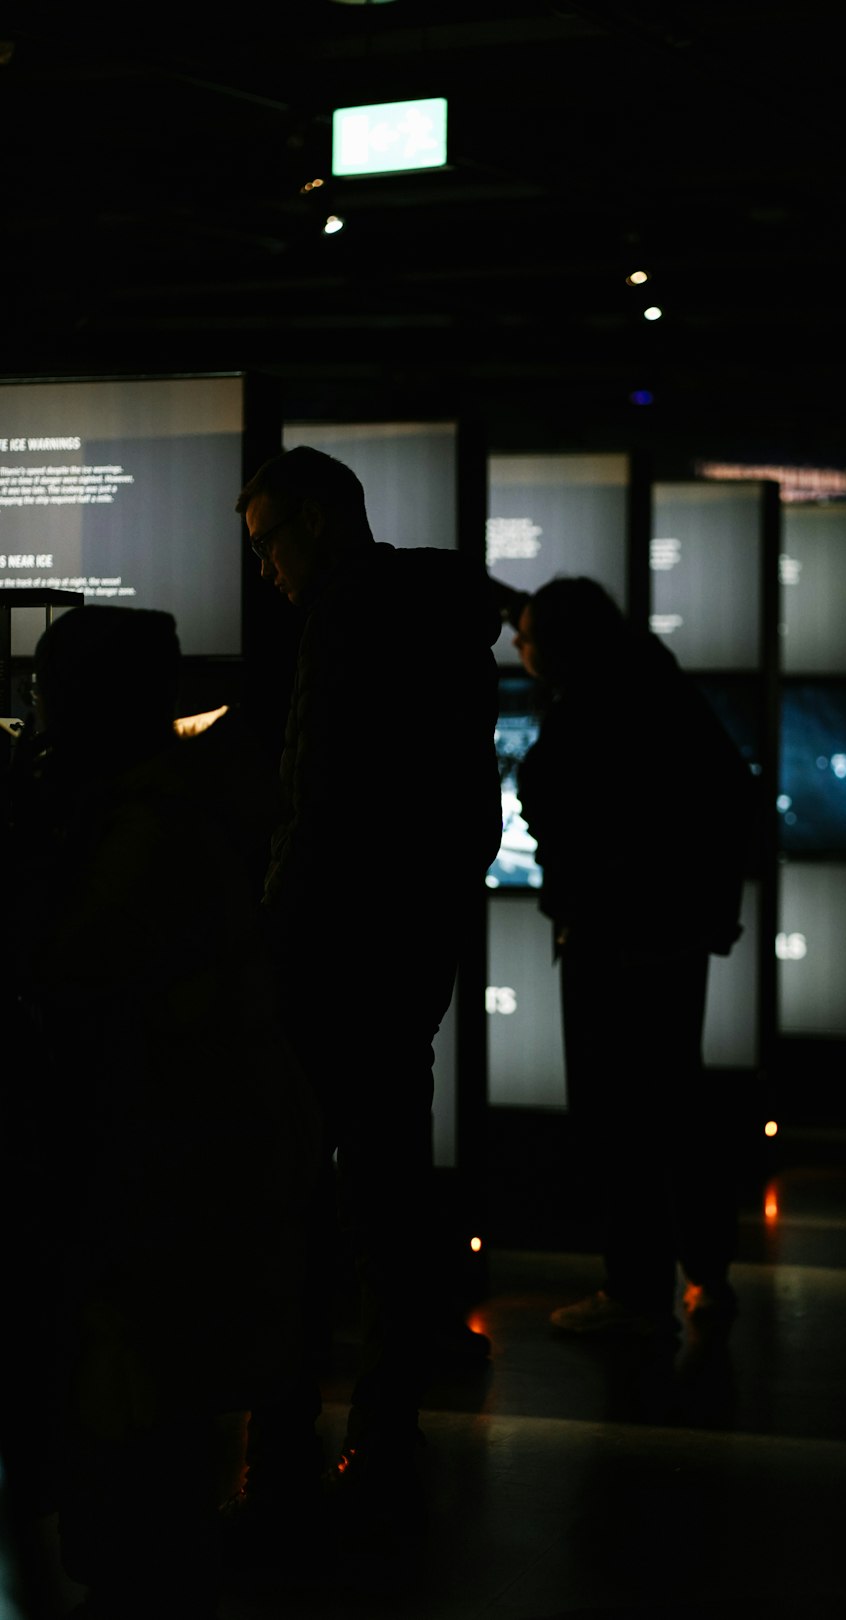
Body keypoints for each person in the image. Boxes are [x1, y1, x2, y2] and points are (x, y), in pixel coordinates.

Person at [2, 605, 320, 1620]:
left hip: (135, 1160)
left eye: (48, 692)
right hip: (196, 1159)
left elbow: (69, 967)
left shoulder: (127, 825)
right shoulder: (198, 803)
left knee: (125, 1411)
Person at [234, 446, 502, 1533]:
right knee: (392, 1201)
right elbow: (466, 811)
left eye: (269, 543)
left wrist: (273, 938)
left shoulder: (343, 623)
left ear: (317, 522)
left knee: (293, 1205)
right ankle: (384, 1434)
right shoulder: (439, 622)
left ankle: (280, 1446)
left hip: (328, 960)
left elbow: (321, 806)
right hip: (408, 956)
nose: (265, 570)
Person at [500, 576, 753, 1338]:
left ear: (558, 647)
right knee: (675, 1101)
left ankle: (636, 1289)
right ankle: (705, 1269)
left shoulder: (592, 707)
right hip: (668, 934)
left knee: (619, 1114)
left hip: (614, 936)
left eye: (527, 636)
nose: (517, 646)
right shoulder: (649, 684)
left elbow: (556, 795)